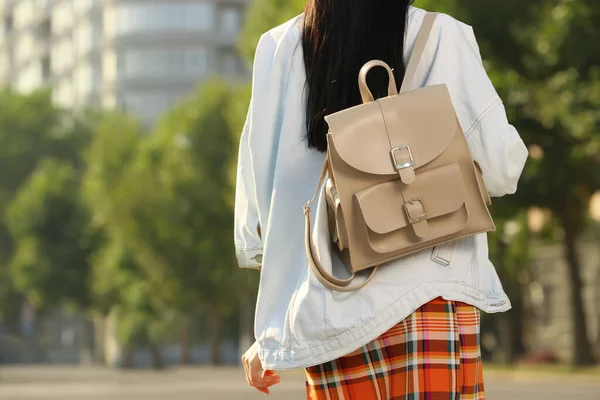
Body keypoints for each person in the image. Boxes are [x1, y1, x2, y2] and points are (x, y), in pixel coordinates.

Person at [235, 1, 528, 398]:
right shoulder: (438, 35)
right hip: (427, 300)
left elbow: (263, 206)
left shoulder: (278, 47)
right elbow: (500, 167)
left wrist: (272, 325)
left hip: (327, 307)